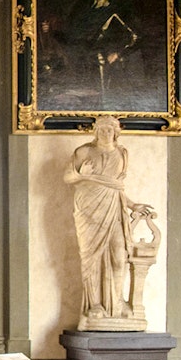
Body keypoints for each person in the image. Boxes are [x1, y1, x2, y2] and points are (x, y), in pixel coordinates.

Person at [63, 116, 152, 327]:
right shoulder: (83, 151)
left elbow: (116, 187)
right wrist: (82, 175)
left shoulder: (122, 154)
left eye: (109, 130)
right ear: (95, 131)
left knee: (119, 256)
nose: (105, 133)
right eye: (101, 129)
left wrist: (132, 205)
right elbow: (68, 177)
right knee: (91, 258)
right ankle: (94, 304)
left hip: (113, 209)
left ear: (116, 132)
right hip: (88, 210)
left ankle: (116, 302)